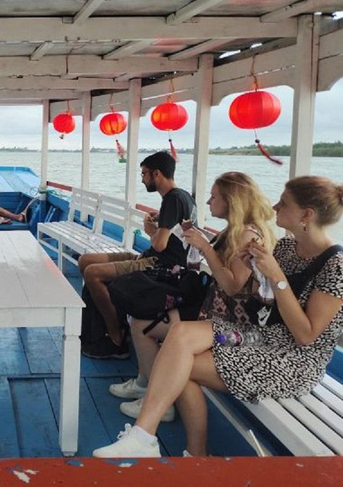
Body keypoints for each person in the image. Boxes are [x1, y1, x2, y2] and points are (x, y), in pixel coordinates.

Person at [93, 175, 343, 458]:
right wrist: (257, 276)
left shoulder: (336, 266)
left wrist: (275, 276)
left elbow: (306, 335)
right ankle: (146, 436)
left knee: (180, 365)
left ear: (306, 215)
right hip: (254, 336)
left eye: (284, 203)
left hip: (293, 359)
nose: (275, 207)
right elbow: (263, 302)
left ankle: (189, 453)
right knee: (181, 336)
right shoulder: (286, 248)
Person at [109, 172, 276, 424]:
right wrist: (160, 233)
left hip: (231, 323)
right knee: (141, 322)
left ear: (232, 201)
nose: (208, 202)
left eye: (214, 197)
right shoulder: (234, 230)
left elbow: (232, 286)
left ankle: (157, 399)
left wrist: (205, 247)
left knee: (143, 324)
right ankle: (146, 385)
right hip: (211, 309)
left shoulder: (248, 236)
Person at [80, 151, 197, 359]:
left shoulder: (172, 199)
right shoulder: (183, 196)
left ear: (157, 174)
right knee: (85, 260)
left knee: (92, 274)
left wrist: (149, 229)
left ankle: (116, 337)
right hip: (148, 256)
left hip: (159, 265)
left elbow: (160, 245)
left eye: (144, 174)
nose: (142, 179)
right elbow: (172, 234)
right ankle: (107, 324)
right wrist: (157, 224)